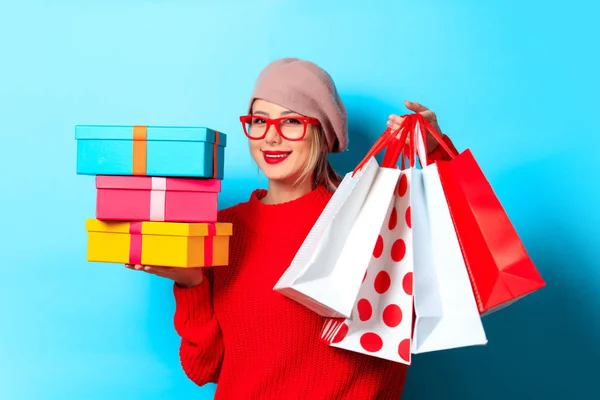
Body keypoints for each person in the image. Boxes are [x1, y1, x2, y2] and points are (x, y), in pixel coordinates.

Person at [126, 58, 458, 399]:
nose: (271, 137)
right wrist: (190, 282)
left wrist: (435, 155)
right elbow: (204, 369)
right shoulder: (220, 228)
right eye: (259, 121)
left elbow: (457, 268)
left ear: (321, 132)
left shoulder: (369, 215)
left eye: (291, 122)